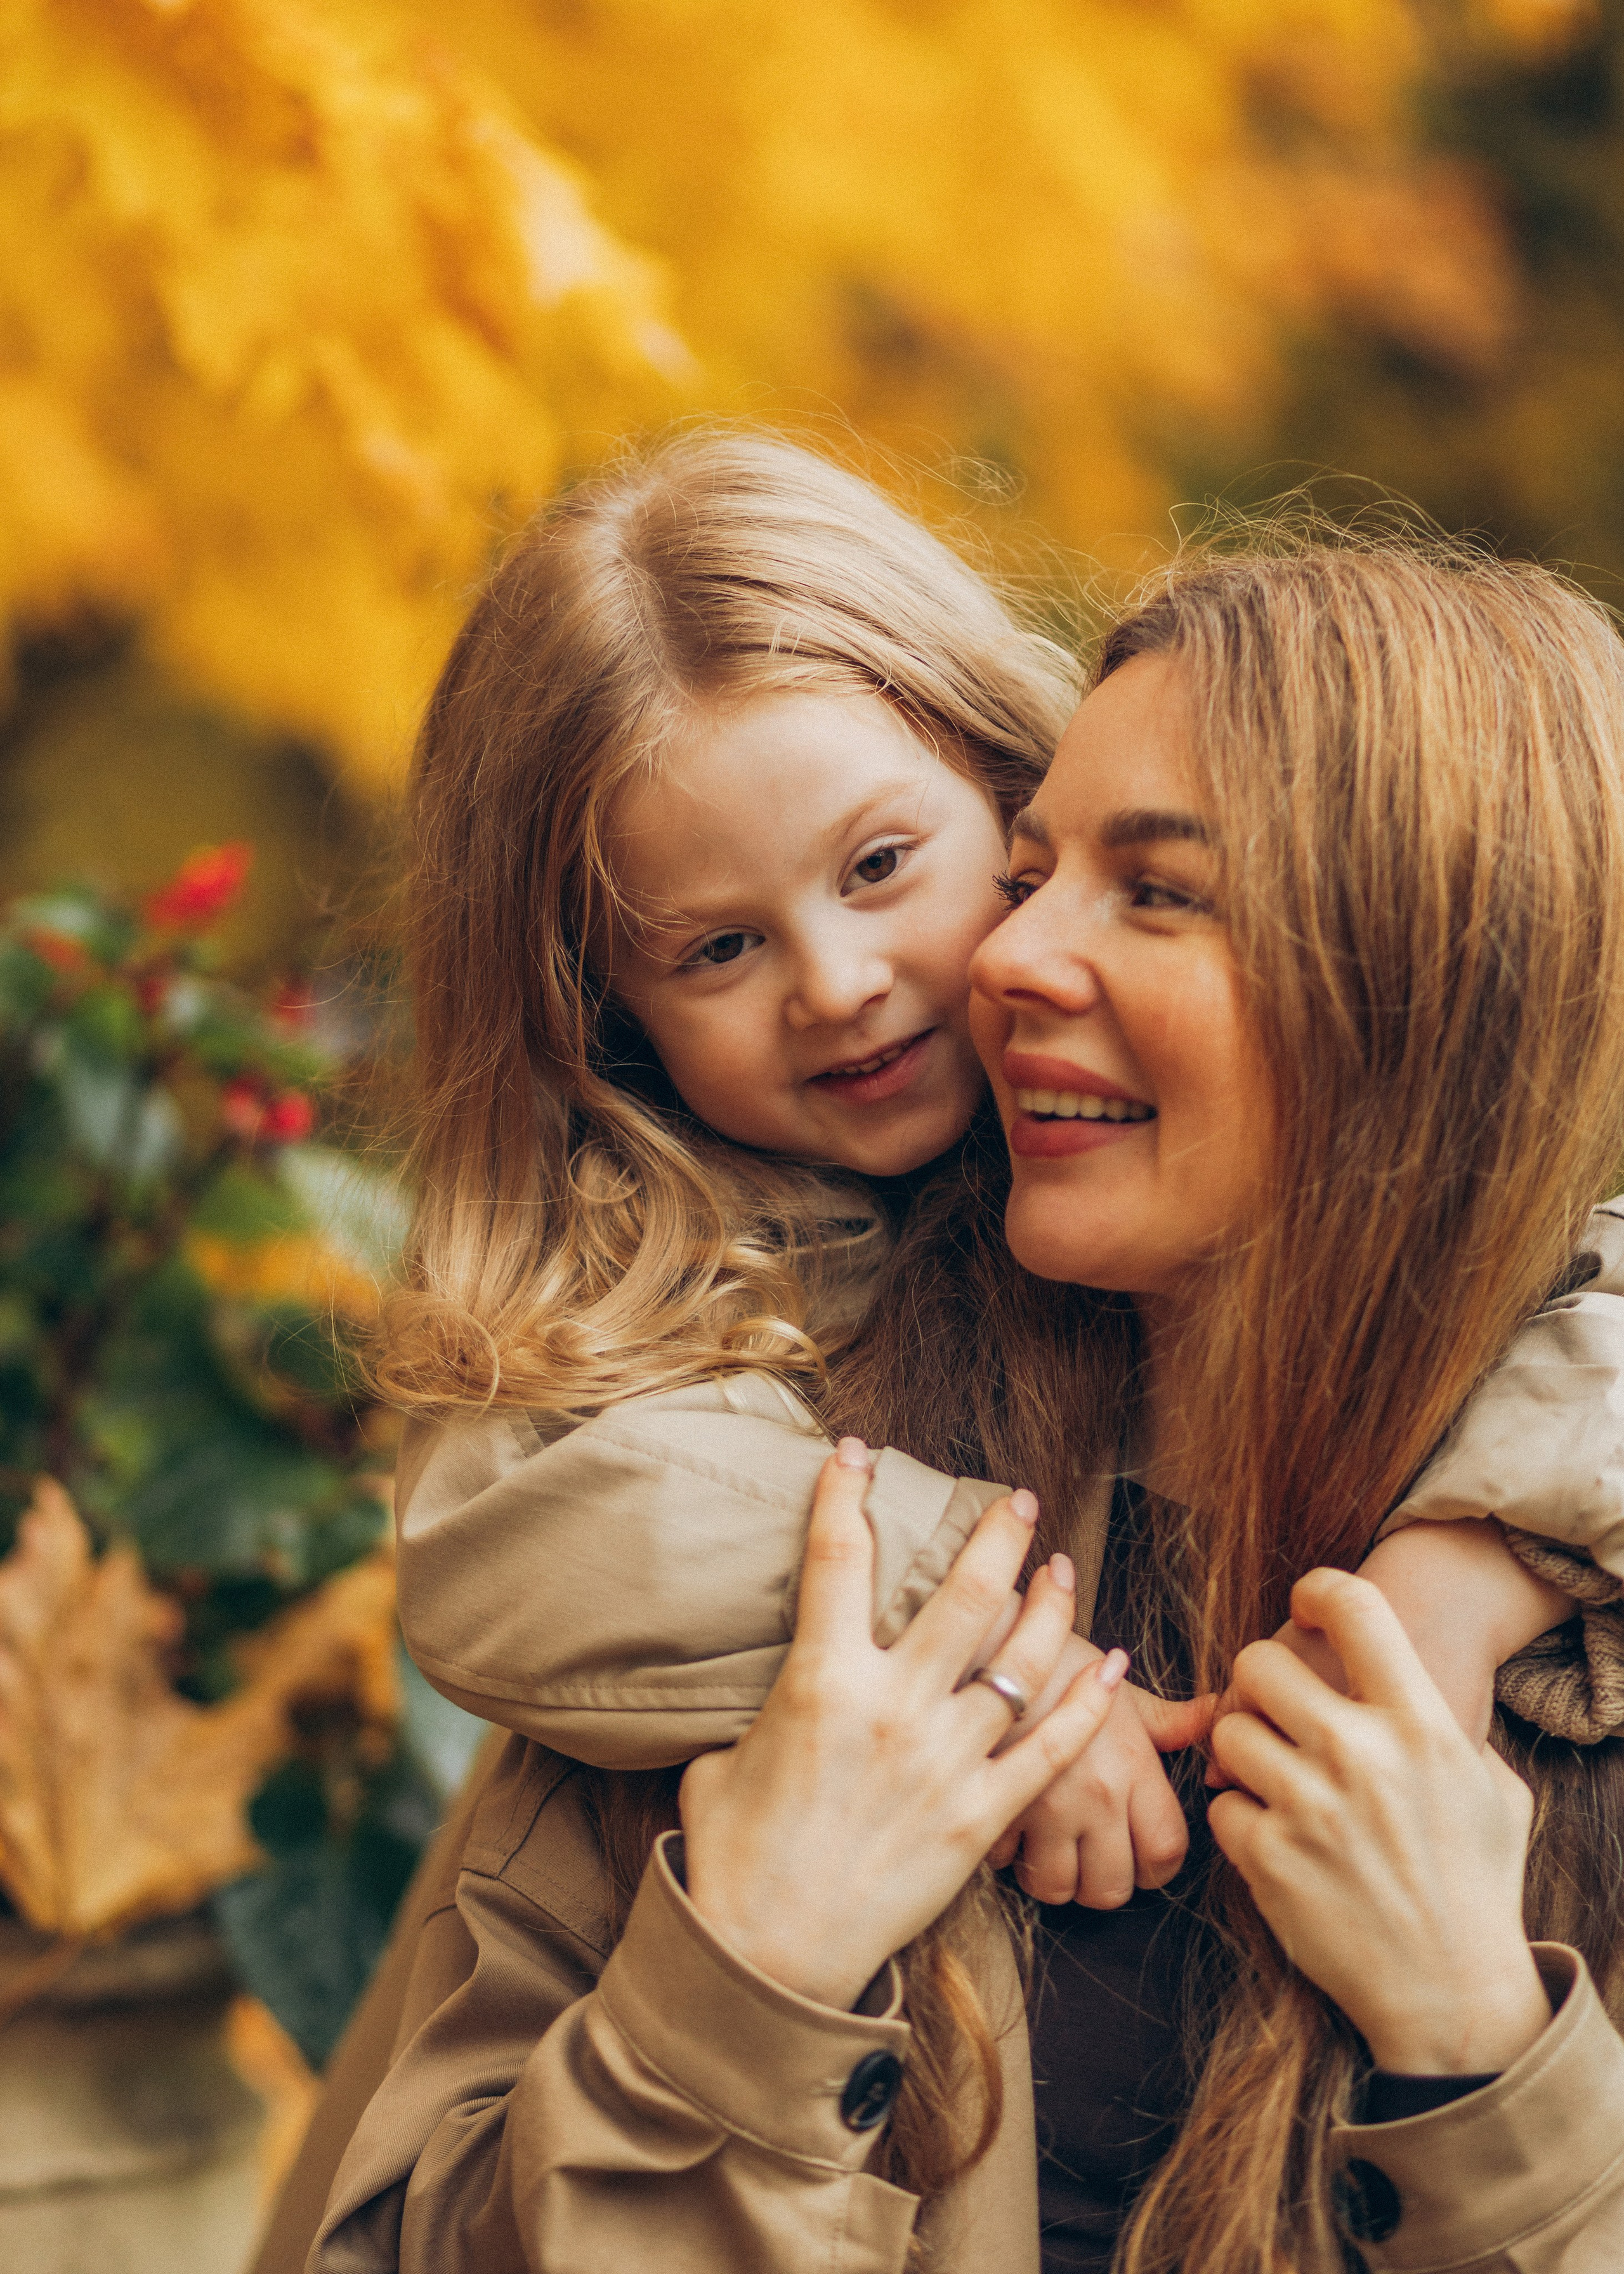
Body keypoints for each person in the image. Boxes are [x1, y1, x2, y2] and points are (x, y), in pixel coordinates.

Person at [295, 471, 1624, 2271]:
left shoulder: (1555, 1581)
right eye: (715, 948)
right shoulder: (771, 1494)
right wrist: (758, 1961)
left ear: (1433, 980)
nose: (953, 968)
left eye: (1148, 890)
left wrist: (1483, 2043)